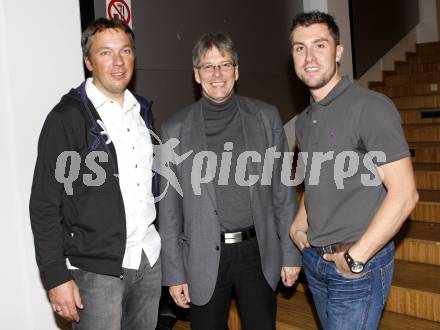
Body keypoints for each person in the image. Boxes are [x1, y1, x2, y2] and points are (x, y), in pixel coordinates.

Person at [158, 32, 302, 330]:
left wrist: (291, 253)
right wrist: (174, 274)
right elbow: (169, 211)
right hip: (202, 256)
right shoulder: (174, 129)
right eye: (208, 67)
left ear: (236, 70)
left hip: (257, 252)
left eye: (224, 65)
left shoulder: (265, 117)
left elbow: (282, 192)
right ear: (197, 75)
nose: (217, 74)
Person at [289, 11, 419, 329]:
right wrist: (299, 223)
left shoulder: (369, 107)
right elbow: (316, 181)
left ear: (338, 52)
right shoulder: (304, 121)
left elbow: (405, 195)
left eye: (319, 45)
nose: (308, 57)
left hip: (356, 264)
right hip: (316, 261)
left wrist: (356, 257)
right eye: (299, 47)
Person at [29, 18, 161, 329]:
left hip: (147, 259)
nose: (118, 62)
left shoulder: (142, 111)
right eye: (105, 53)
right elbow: (45, 203)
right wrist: (55, 276)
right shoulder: (67, 117)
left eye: (125, 51)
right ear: (89, 61)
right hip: (95, 271)